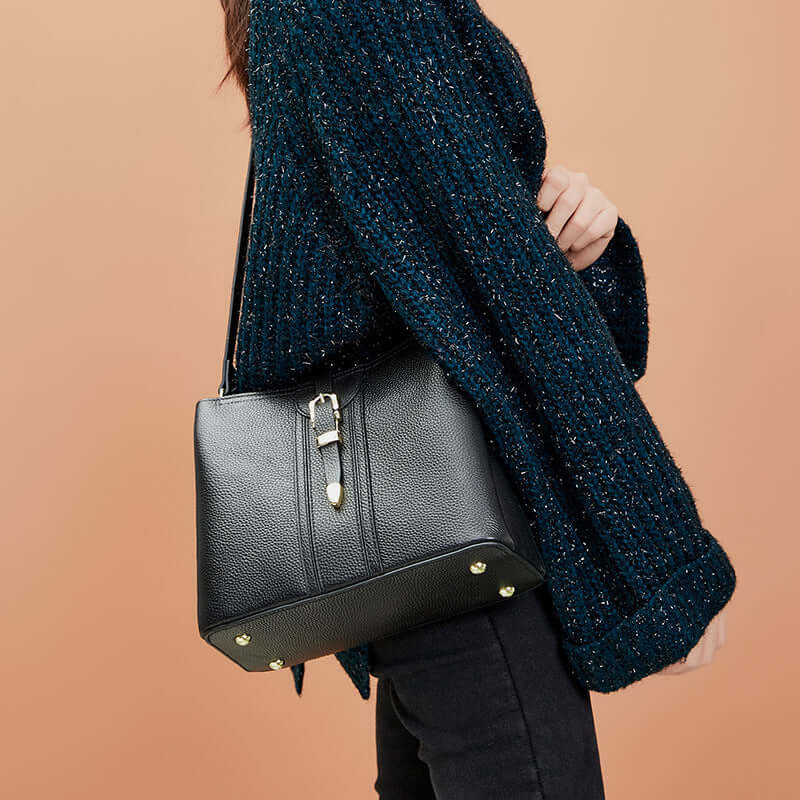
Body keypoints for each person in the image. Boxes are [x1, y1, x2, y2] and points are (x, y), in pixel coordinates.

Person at [216, 1, 735, 797]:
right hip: (465, 554)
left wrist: (571, 238)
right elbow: (504, 290)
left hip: (433, 551)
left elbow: (433, 263)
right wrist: (660, 557)